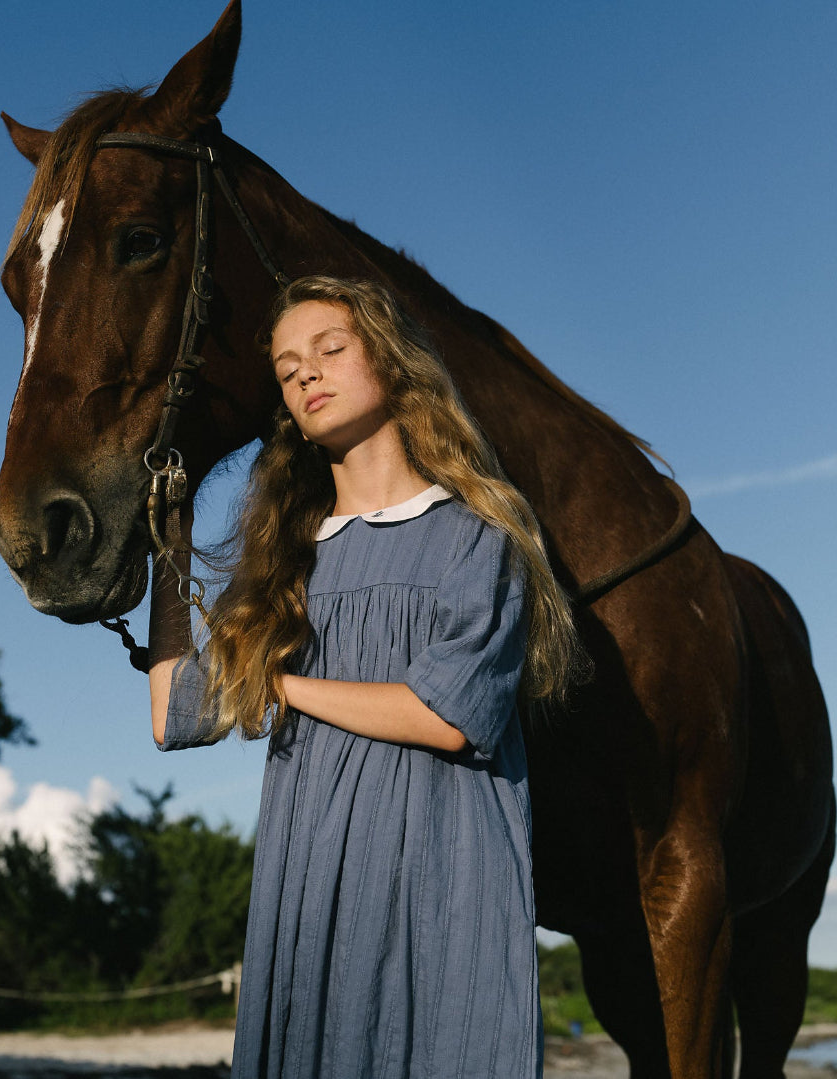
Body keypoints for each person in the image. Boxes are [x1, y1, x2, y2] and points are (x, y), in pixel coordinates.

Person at [149, 276, 582, 1078]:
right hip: (314, 890)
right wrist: (168, 542)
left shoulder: (476, 536)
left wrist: (279, 686)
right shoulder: (287, 564)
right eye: (286, 369)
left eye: (329, 349)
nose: (306, 373)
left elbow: (447, 714)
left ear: (390, 361)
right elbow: (176, 711)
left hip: (443, 879)